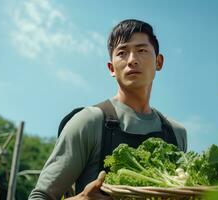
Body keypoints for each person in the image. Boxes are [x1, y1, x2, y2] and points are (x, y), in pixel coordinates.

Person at [29, 19, 187, 200]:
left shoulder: (176, 133)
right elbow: (39, 196)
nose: (132, 60)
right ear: (111, 68)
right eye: (122, 53)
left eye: (142, 50)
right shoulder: (89, 121)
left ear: (158, 62)